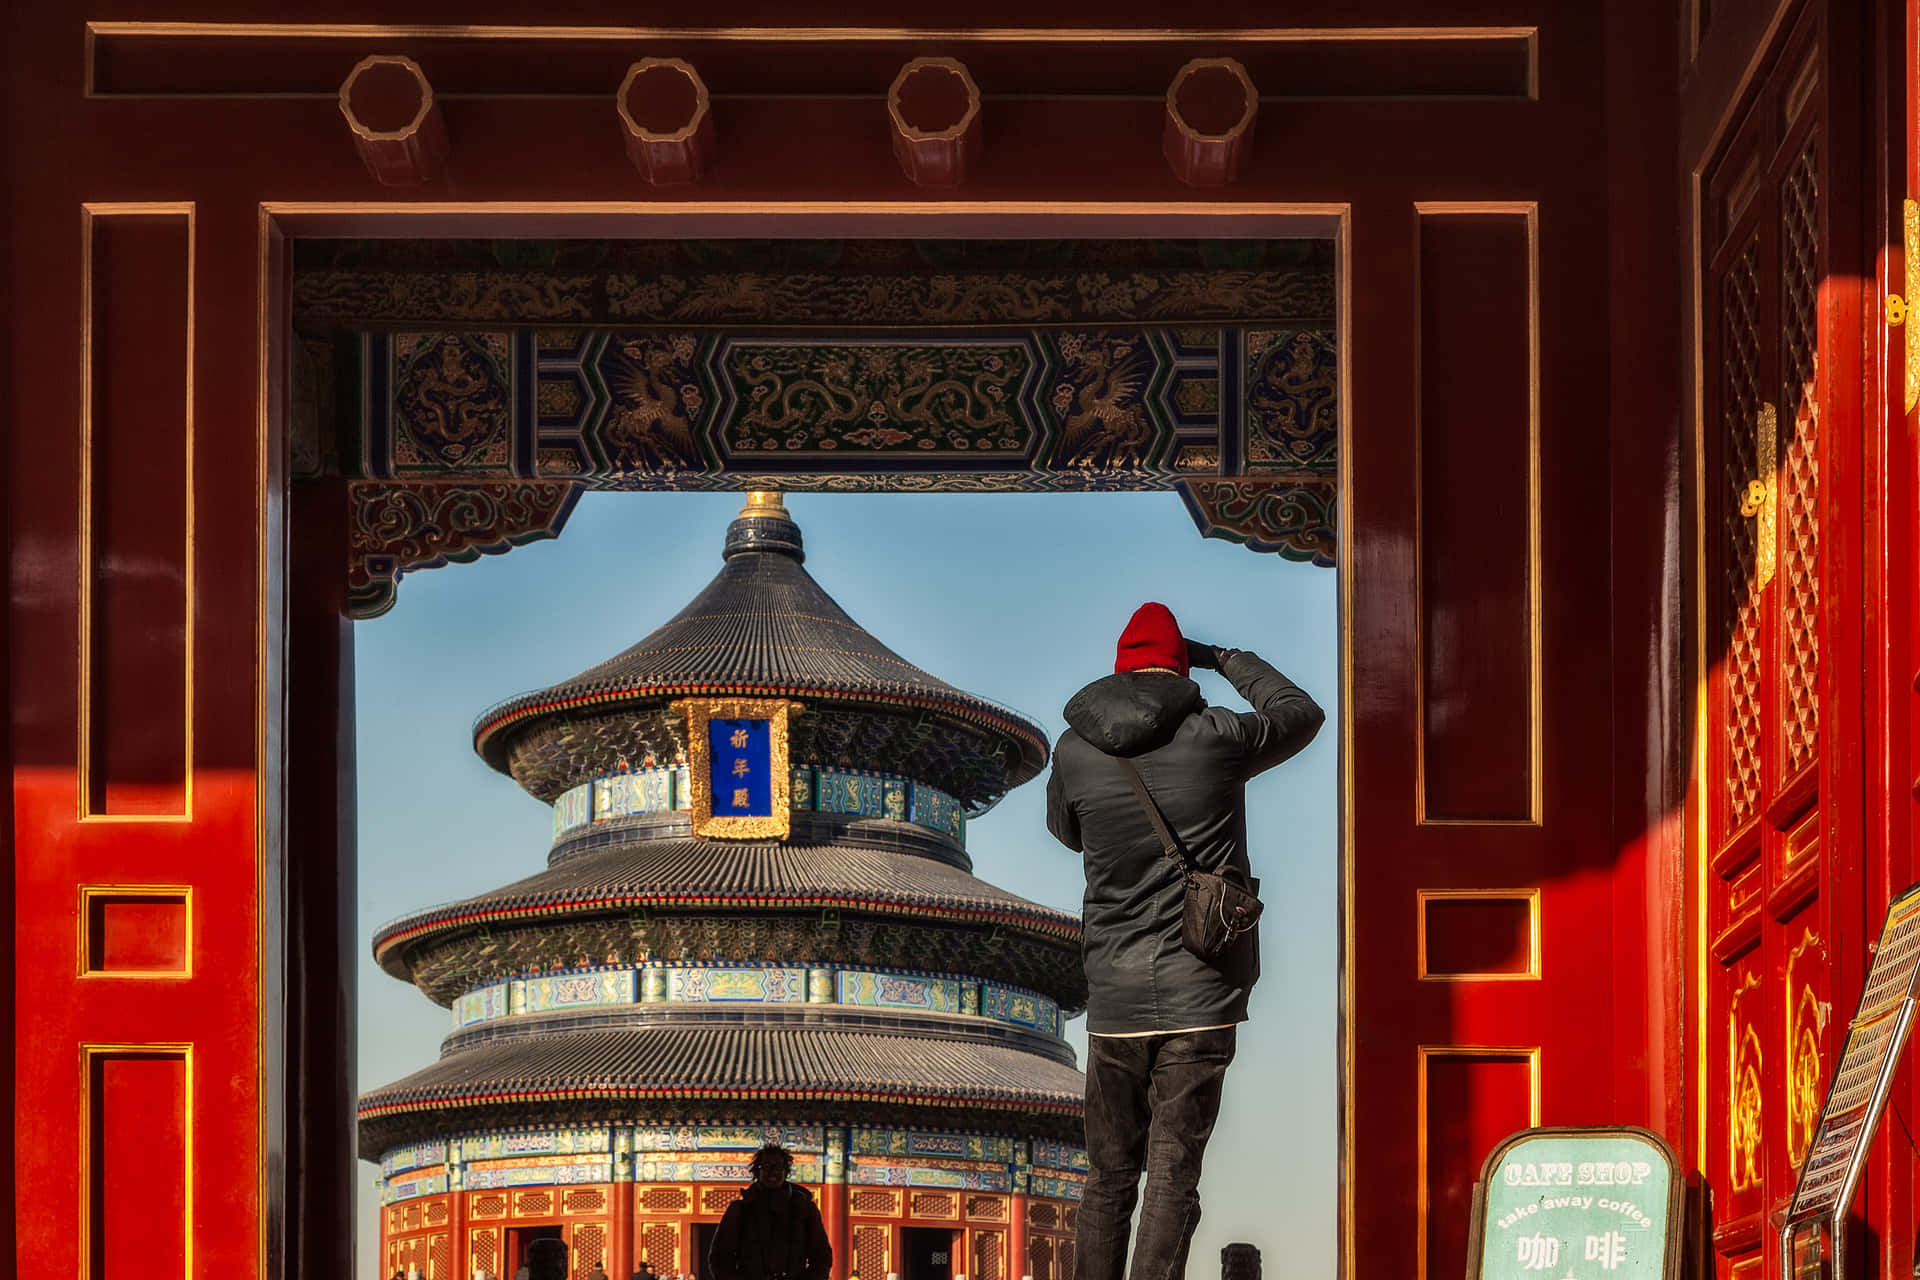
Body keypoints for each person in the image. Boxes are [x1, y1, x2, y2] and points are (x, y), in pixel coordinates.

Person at [1046, 601, 1324, 1280]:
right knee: (1174, 1172)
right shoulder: (1217, 736)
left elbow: (1066, 832)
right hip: (1200, 990)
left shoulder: (1075, 751)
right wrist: (1225, 657)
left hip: (1112, 996)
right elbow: (1300, 712)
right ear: (1180, 667)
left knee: (1108, 1176)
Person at [707, 1143, 833, 1280]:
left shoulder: (804, 1209)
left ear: (786, 1171)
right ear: (757, 1171)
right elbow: (720, 1257)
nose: (772, 1172)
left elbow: (822, 1256)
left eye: (778, 1167)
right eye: (766, 1167)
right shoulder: (740, 1210)